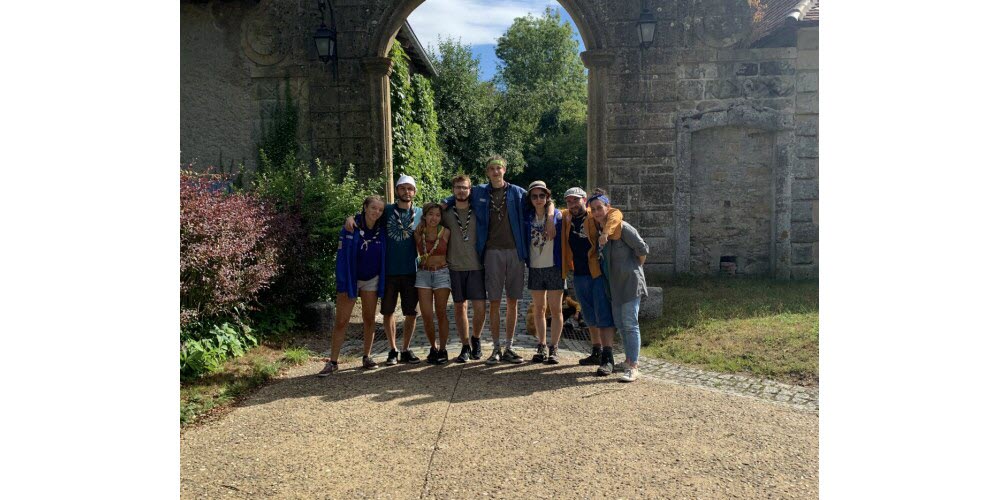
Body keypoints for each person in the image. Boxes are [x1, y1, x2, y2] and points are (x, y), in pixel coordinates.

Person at [444, 155, 553, 364]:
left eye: (499, 168)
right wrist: (443, 202)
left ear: (505, 170)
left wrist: (549, 215)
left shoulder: (518, 193)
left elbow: (543, 201)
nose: (495, 172)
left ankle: (509, 347)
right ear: (487, 172)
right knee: (494, 302)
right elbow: (458, 196)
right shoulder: (479, 192)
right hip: (491, 252)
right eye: (492, 169)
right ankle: (495, 347)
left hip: (515, 252)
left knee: (512, 301)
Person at [345, 175, 423, 365]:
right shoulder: (387, 210)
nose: (406, 192)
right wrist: (351, 218)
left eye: (410, 189)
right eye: (403, 188)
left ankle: (406, 348)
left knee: (411, 312)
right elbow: (367, 216)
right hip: (387, 271)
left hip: (411, 270)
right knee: (388, 312)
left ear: (414, 192)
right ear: (397, 190)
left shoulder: (421, 212)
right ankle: (392, 349)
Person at [319, 195, 387, 376]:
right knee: (342, 321)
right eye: (373, 208)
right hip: (351, 278)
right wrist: (349, 218)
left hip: (372, 278)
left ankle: (367, 356)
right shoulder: (351, 226)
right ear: (365, 207)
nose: (376, 212)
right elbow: (342, 255)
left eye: (380, 210)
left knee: (369, 318)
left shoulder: (382, 228)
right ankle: (333, 361)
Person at [589, 189, 649, 382]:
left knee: (631, 324)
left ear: (608, 207)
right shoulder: (598, 231)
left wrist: (634, 268)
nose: (598, 212)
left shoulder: (622, 227)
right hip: (613, 286)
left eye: (600, 208)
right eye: (594, 209)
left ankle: (633, 366)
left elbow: (642, 249)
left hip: (630, 283)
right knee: (622, 326)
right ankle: (628, 359)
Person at [559, 187, 623, 367]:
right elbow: (551, 210)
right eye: (569, 201)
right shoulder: (567, 217)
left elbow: (616, 213)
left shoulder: (593, 215)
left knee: (603, 314)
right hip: (578, 274)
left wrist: (605, 233)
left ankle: (608, 356)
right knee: (588, 315)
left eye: (576, 200)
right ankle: (596, 351)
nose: (572, 204)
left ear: (584, 200)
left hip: (596, 273)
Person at [441, 174, 486, 362]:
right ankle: (465, 345)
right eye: (458, 187)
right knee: (459, 307)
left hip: (476, 265)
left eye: (465, 188)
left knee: (480, 308)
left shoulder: (478, 211)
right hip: (455, 266)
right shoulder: (445, 213)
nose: (461, 191)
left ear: (470, 190)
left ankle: (476, 339)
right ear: (453, 190)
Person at [523, 181, 565, 363]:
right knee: (538, 309)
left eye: (542, 195)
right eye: (534, 196)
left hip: (554, 267)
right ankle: (541, 344)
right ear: (530, 199)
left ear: (547, 197)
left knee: (556, 310)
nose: (538, 199)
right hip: (535, 267)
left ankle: (554, 347)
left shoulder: (558, 216)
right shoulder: (527, 217)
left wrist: (550, 217)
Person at [414, 203, 452, 364]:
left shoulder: (446, 232)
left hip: (442, 272)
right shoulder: (418, 232)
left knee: (441, 313)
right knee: (427, 315)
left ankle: (443, 349)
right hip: (423, 273)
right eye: (430, 214)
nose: (434, 218)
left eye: (437, 215)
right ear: (425, 216)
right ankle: (433, 347)